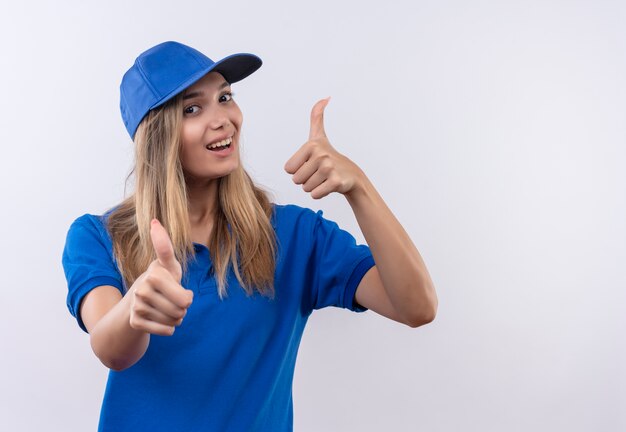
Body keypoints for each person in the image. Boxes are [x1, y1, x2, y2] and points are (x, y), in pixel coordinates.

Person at [62, 41, 437, 431]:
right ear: (158, 137)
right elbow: (110, 348)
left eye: (225, 97)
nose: (223, 118)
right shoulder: (98, 237)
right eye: (192, 108)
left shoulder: (293, 236)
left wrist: (358, 186)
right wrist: (136, 307)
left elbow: (416, 306)